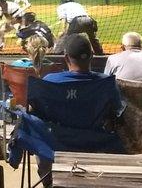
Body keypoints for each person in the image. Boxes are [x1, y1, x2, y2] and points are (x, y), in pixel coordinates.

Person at [38, 34, 124, 187]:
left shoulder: (50, 81)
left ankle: (48, 183)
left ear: (66, 58)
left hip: (57, 143)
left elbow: (37, 112)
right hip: (96, 144)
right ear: (92, 57)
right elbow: (118, 112)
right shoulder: (107, 83)